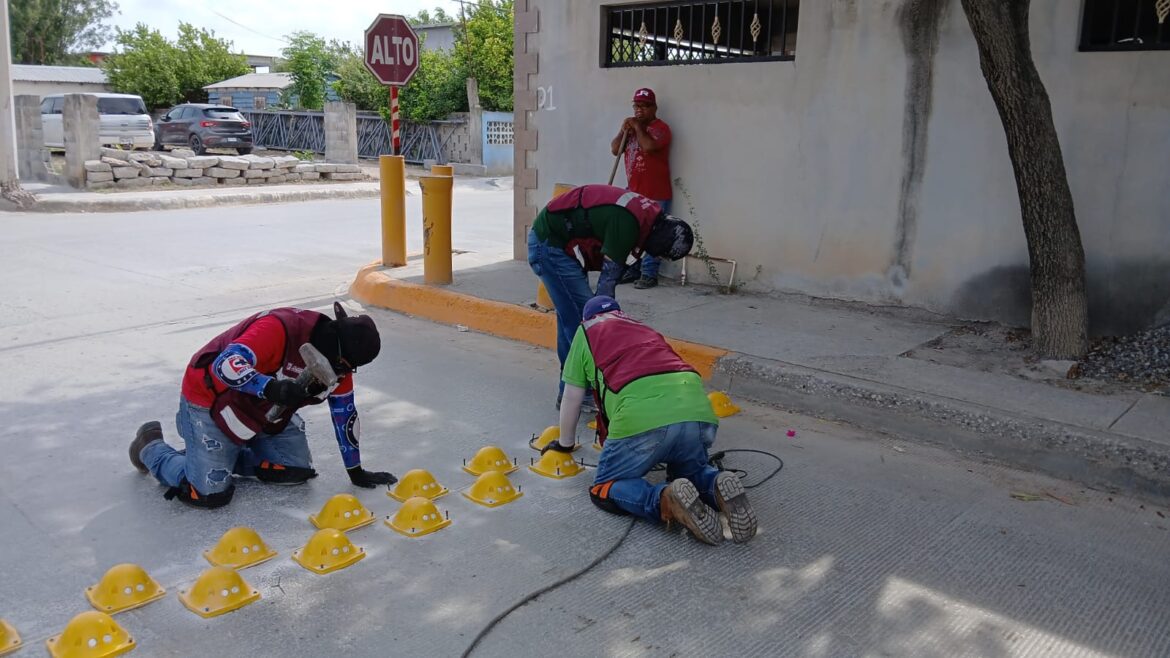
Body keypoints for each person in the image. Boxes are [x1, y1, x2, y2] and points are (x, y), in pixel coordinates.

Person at [128, 303, 396, 508]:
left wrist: (356, 471)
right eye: (345, 367)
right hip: (209, 399)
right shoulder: (280, 328)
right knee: (208, 494)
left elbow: (344, 414)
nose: (344, 374)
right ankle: (151, 448)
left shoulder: (340, 364)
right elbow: (225, 364)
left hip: (261, 410)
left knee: (294, 470)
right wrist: (270, 387)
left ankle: (217, 453)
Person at [545, 295, 757, 545]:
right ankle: (715, 483)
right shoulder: (642, 328)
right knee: (689, 472)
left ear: (587, 318)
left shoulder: (587, 331)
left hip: (642, 420)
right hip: (698, 411)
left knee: (604, 487)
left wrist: (565, 443)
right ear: (619, 313)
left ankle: (665, 500)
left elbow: (572, 395)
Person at [527, 184, 694, 409]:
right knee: (586, 327)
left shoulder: (650, 216)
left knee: (573, 320)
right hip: (550, 246)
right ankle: (579, 395)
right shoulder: (628, 225)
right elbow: (605, 292)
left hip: (560, 243)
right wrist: (616, 330)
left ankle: (571, 392)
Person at [610, 87, 673, 290]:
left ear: (654, 108)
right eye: (636, 106)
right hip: (633, 190)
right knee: (632, 233)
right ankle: (633, 269)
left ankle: (649, 274)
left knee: (652, 235)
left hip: (656, 192)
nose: (639, 110)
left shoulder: (661, 128)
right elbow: (614, 149)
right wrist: (623, 130)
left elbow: (648, 147)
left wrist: (638, 128)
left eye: (644, 106)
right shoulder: (631, 130)